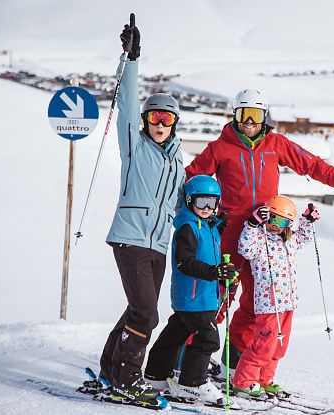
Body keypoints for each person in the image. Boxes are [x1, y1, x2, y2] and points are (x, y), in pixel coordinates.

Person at [185, 89, 334, 376]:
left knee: (256, 302)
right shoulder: (220, 148)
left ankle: (235, 364)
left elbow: (312, 163)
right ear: (235, 116)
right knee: (217, 297)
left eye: (255, 116)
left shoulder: (275, 144)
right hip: (230, 233)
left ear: (264, 117)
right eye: (244, 115)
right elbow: (190, 180)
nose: (249, 122)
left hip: (267, 236)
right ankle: (189, 360)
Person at [98, 21, 186, 406]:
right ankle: (128, 378)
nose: (160, 124)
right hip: (130, 238)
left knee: (140, 309)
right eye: (155, 118)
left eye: (167, 119)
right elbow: (128, 105)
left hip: (158, 244)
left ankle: (109, 369)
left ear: (175, 124)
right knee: (146, 313)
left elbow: (182, 200)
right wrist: (131, 60)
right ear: (146, 121)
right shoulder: (135, 146)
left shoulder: (179, 161)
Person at [143, 175, 235, 406]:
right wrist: (214, 271)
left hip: (201, 296)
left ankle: (156, 375)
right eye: (200, 202)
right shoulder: (187, 228)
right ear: (189, 201)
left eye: (211, 203)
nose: (206, 208)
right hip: (194, 297)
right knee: (208, 339)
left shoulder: (210, 227)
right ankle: (191, 384)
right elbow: (185, 262)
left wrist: (224, 275)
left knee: (176, 333)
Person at [232, 196, 318, 398]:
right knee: (263, 345)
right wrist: (252, 224)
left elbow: (304, 238)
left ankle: (264, 379)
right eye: (272, 218)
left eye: (283, 222)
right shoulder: (259, 240)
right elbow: (244, 248)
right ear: (265, 216)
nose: (275, 225)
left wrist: (306, 221)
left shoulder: (289, 241)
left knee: (279, 347)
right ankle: (243, 382)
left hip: (288, 303)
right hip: (269, 304)